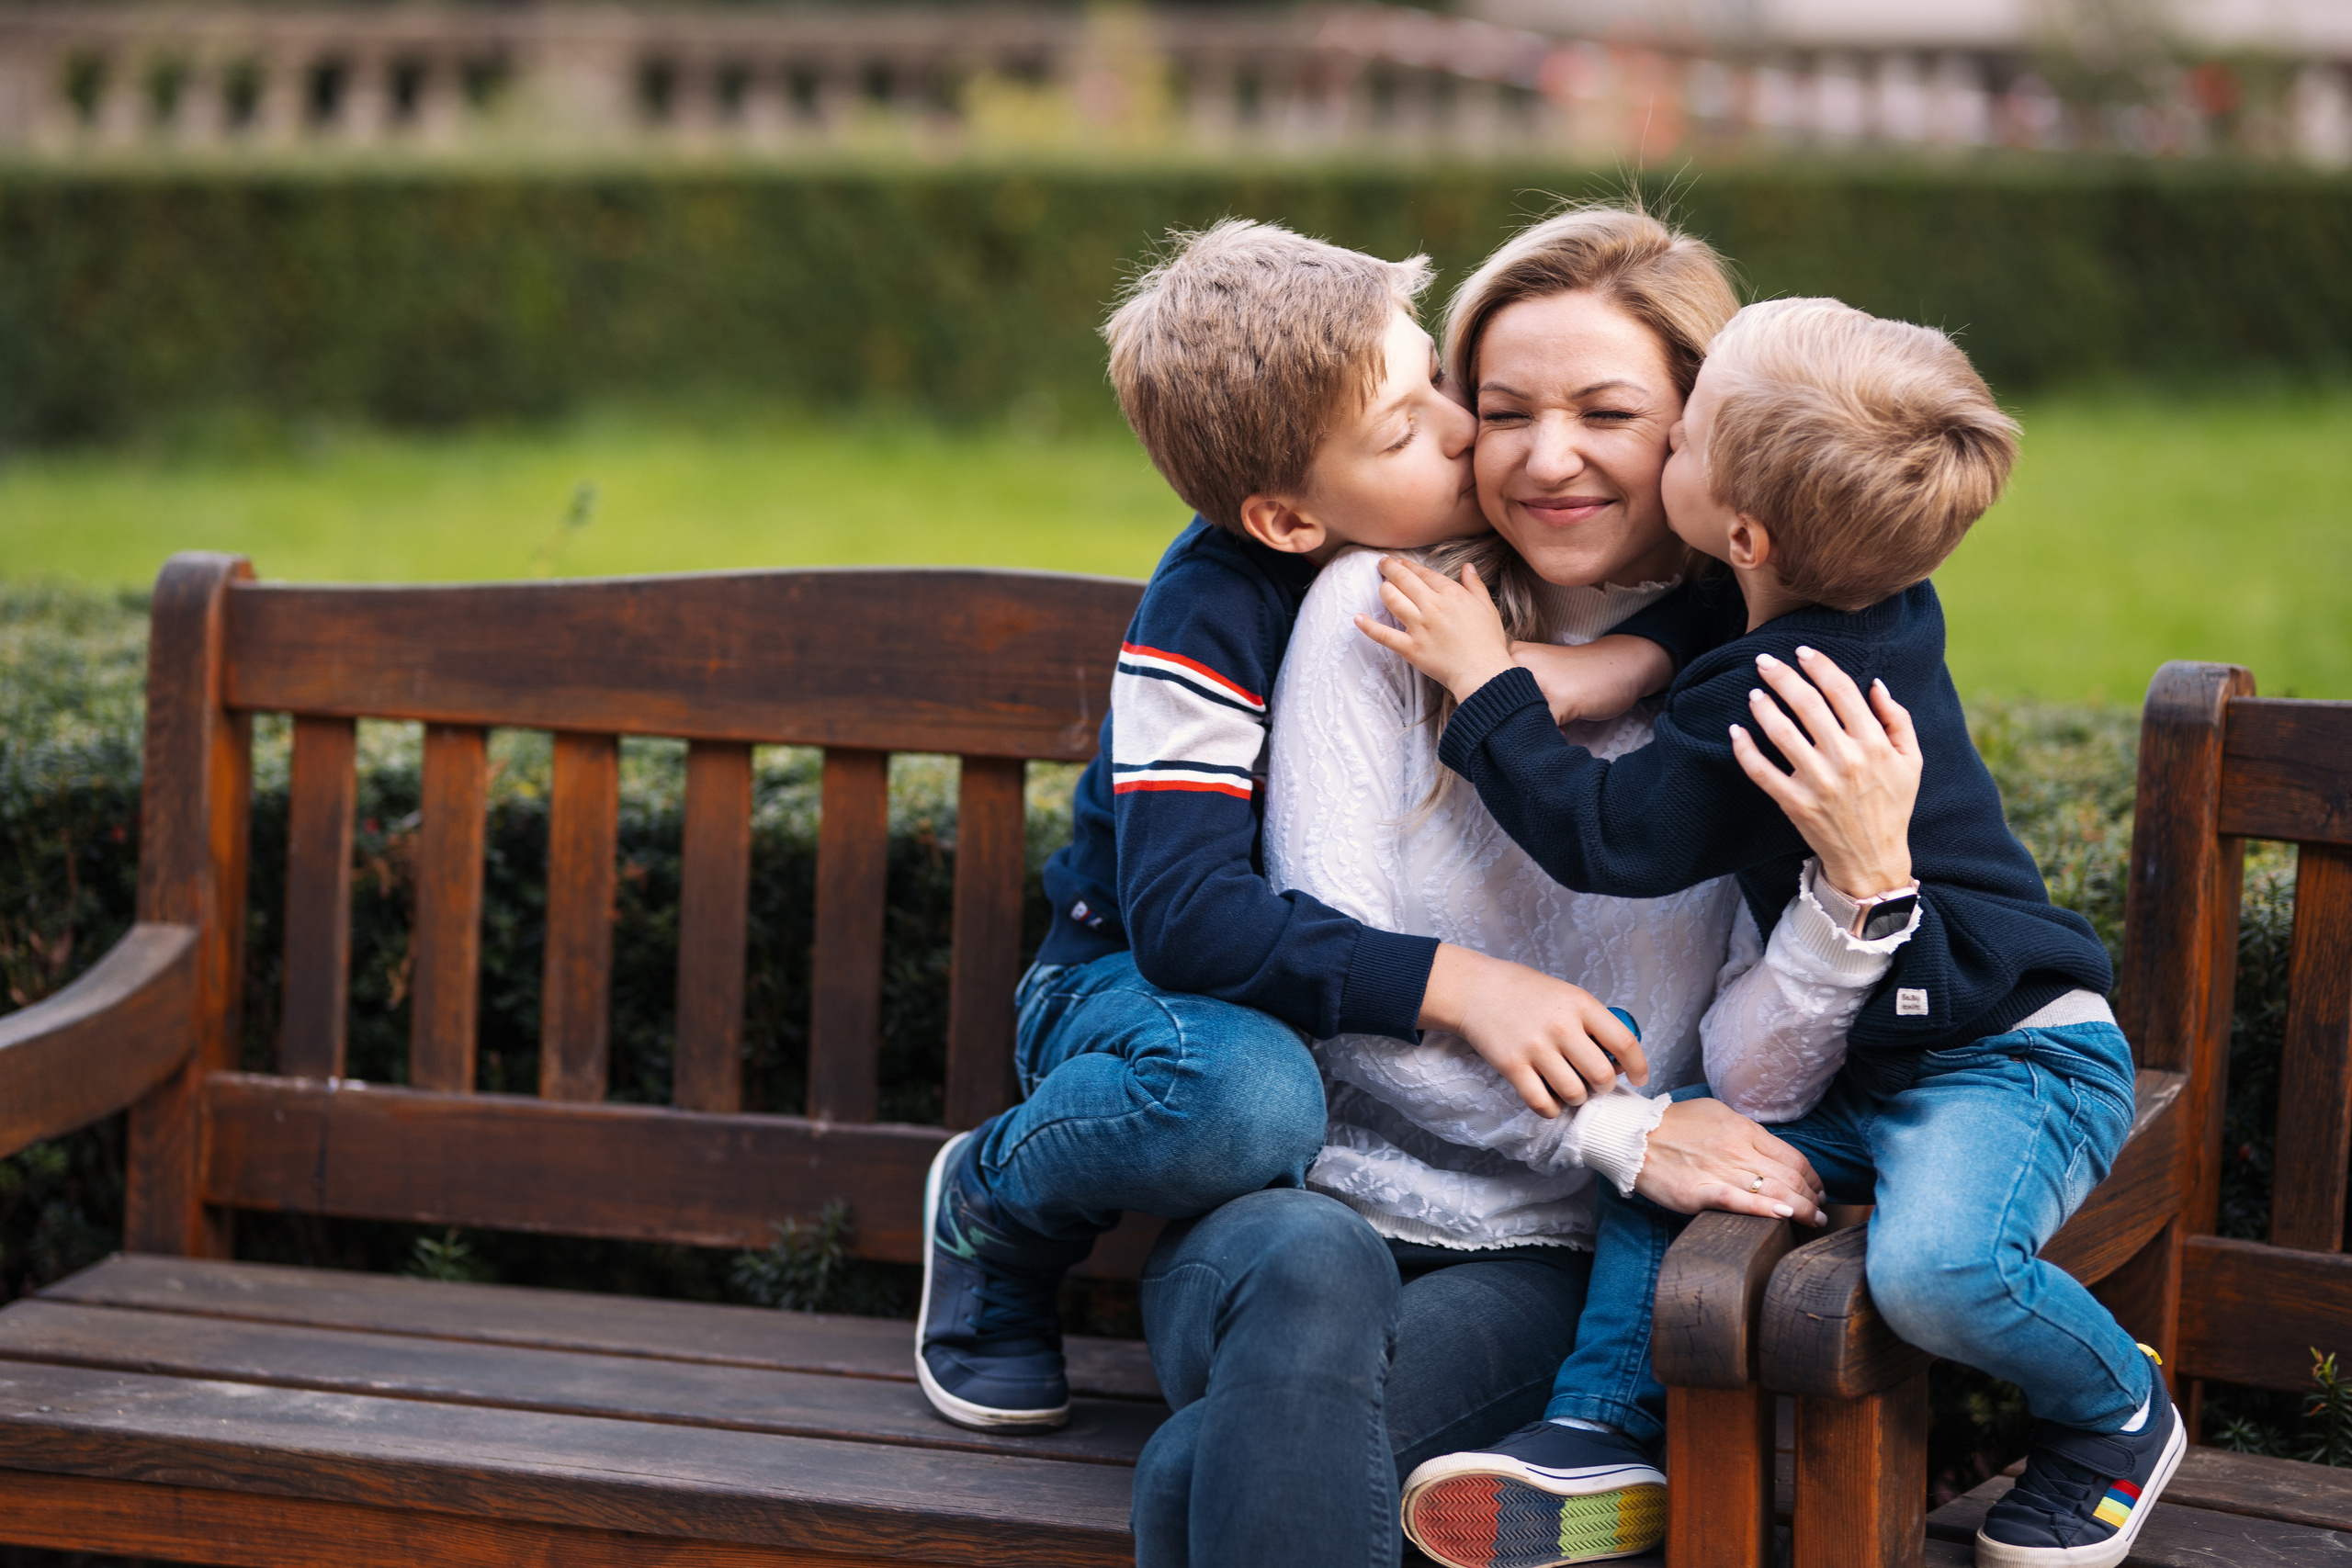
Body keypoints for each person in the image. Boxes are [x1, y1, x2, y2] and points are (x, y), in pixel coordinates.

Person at [1114, 205, 1921, 1568]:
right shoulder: (1379, 608)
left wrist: (1856, 889)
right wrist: (1611, 1130)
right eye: (1501, 409)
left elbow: (1737, 1062)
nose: (1549, 459)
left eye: (1608, 412)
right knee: (1311, 1269)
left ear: (1701, 427)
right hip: (1300, 1215)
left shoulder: (1766, 675)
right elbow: (1337, 997)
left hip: (1544, 1258)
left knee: (1208, 1469)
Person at [1373, 298, 2168, 1568]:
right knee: (1680, 1155)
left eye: (1680, 439)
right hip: (1871, 1058)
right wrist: (1629, 660)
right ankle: (1599, 1434)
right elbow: (1718, 605)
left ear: (1743, 531)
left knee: (1936, 1271)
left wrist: (1490, 684)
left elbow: (1608, 837)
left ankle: (2115, 1404)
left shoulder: (1774, 695)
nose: (1670, 437)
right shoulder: (1875, 594)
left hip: (2011, 1056)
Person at [915, 217, 1664, 1440]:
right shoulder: (1206, 613)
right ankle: (994, 1205)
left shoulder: (1439, 534)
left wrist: (1646, 653)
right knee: (1249, 1100)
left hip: (1281, 1023)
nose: (1465, 429)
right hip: (1131, 989)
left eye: (1433, 377)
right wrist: (1462, 987)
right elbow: (1189, 920)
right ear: (1287, 522)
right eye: (1405, 429)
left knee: (1269, 1087)